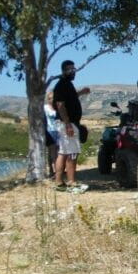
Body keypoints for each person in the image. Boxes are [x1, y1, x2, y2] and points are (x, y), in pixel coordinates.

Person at [52, 60, 90, 189]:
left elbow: (70, 98)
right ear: (63, 71)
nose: (73, 72)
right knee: (72, 153)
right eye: (69, 70)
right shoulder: (62, 85)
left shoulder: (67, 85)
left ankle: (59, 182)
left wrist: (81, 93)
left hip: (67, 123)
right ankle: (72, 182)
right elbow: (60, 105)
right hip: (67, 123)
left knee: (63, 152)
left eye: (74, 69)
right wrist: (68, 124)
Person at [44, 90, 59, 178]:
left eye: (53, 98)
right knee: (52, 152)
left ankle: (56, 170)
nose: (51, 100)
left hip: (58, 131)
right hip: (49, 131)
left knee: (57, 152)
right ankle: (53, 170)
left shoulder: (58, 107)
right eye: (49, 98)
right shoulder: (45, 108)